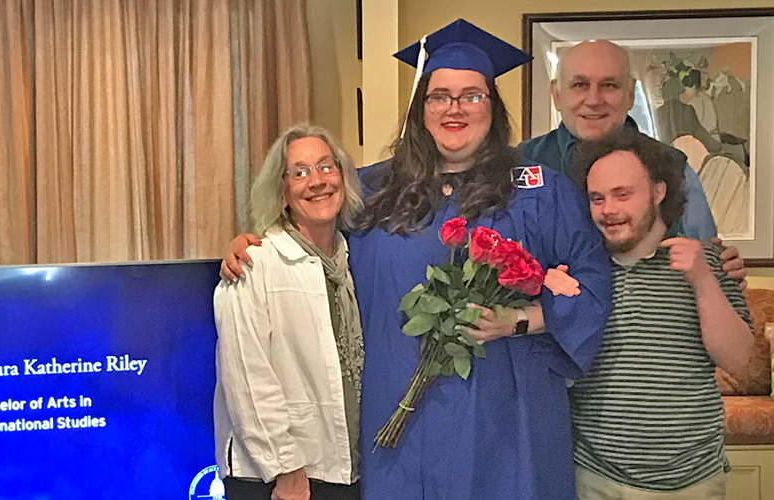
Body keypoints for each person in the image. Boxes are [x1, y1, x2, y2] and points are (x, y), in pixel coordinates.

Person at [221, 19, 613, 500]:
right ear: (420, 109)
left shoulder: (538, 190)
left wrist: (519, 319)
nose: (455, 108)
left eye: (472, 95)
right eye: (440, 96)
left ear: (493, 107)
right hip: (398, 421)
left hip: (507, 420)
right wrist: (253, 240)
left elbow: (593, 286)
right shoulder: (370, 190)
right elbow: (306, 237)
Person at [567, 128, 754, 499]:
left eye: (623, 194)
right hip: (596, 479)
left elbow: (743, 364)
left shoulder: (711, 262)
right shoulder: (579, 272)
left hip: (693, 482)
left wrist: (702, 279)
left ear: (658, 191)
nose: (609, 210)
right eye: (597, 198)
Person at [212, 123, 364, 500]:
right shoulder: (252, 264)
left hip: (340, 469)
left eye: (327, 167)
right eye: (299, 172)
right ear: (281, 192)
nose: (317, 181)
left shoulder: (351, 261)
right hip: (278, 479)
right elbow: (246, 377)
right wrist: (286, 469)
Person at [519, 40, 747, 285]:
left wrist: (722, 270)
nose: (594, 99)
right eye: (579, 84)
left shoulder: (672, 167)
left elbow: (708, 264)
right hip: (547, 320)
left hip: (652, 318)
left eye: (609, 85)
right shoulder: (520, 164)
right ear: (556, 94)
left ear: (630, 94)